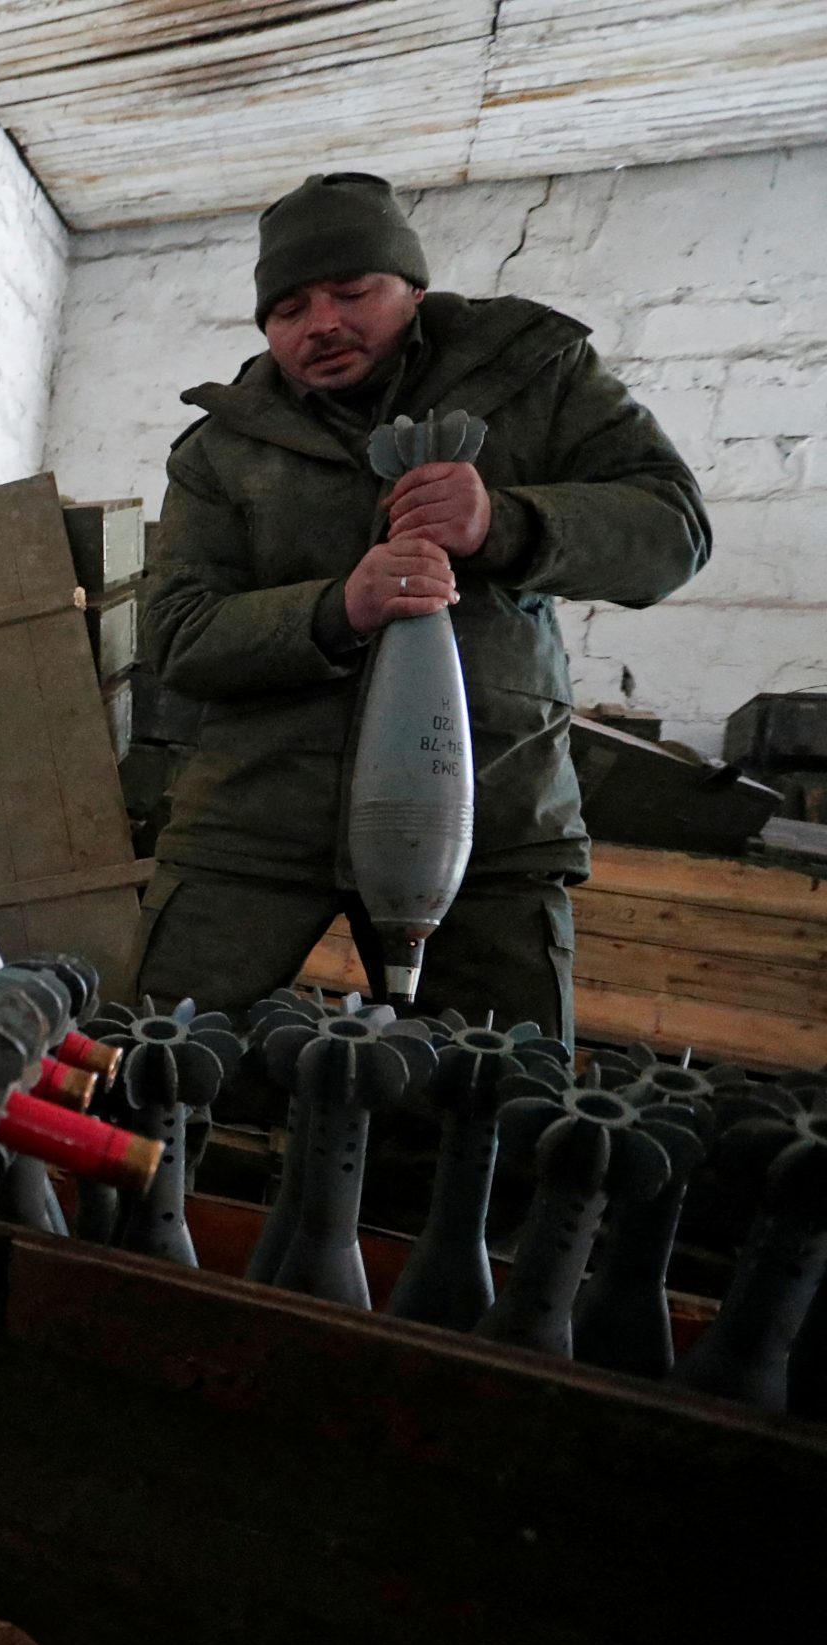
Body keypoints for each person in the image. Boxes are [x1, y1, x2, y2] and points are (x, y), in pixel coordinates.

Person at [134, 171, 710, 1038]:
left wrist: (504, 523)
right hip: (253, 821)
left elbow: (673, 531)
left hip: (490, 818)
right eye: (288, 308)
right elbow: (178, 634)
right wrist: (336, 609)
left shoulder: (534, 374)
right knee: (152, 1061)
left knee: (493, 1104)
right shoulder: (223, 448)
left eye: (351, 290)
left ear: (414, 288)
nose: (321, 322)